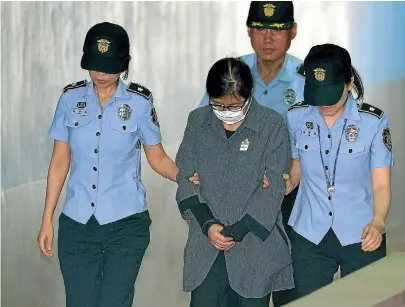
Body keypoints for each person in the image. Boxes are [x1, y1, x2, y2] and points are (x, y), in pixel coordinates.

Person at [37, 22, 178, 307]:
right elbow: (59, 162)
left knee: (115, 301)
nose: (101, 73)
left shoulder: (140, 102)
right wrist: (46, 220)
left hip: (126, 226)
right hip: (77, 225)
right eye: (95, 65)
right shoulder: (69, 99)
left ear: (124, 64)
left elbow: (157, 158)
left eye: (109, 66)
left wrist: (190, 176)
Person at [195, 3, 304, 304]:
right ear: (248, 31)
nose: (268, 37)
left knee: (288, 291)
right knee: (237, 290)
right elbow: (204, 130)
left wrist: (291, 178)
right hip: (237, 202)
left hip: (291, 201)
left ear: (293, 31)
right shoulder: (231, 73)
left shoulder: (306, 80)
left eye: (277, 29)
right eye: (260, 28)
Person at [176, 57, 294, 307]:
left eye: (234, 105)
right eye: (218, 105)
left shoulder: (271, 125)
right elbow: (185, 177)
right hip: (206, 246)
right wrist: (209, 225)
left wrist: (235, 232)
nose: (226, 112)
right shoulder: (197, 122)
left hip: (254, 247)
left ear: (248, 95)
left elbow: (272, 188)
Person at [285, 43, 393, 298]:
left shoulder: (373, 122)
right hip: (309, 233)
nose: (323, 104)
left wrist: (378, 222)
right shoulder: (296, 117)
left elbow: (381, 185)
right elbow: (296, 167)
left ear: (349, 82)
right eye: (316, 93)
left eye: (330, 93)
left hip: (362, 233)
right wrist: (285, 182)